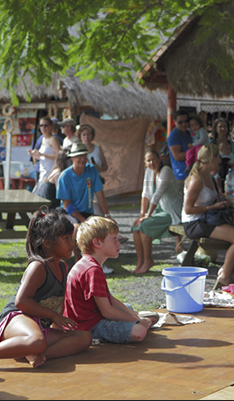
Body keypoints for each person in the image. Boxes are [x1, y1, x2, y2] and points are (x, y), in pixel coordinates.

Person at [0, 210, 92, 369]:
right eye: (65, 238)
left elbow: (57, 301)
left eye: (71, 237)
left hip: (39, 327)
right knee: (37, 340)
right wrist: (53, 316)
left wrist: (56, 322)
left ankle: (38, 354)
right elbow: (21, 302)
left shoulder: (62, 266)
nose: (72, 243)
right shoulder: (38, 267)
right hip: (15, 318)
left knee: (84, 337)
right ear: (47, 243)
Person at [63, 217, 157, 344]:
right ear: (97, 243)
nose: (119, 244)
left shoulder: (87, 263)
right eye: (114, 239)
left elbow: (109, 299)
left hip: (88, 319)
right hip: (88, 327)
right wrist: (137, 321)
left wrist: (132, 316)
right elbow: (107, 311)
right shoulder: (92, 270)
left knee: (128, 308)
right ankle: (146, 321)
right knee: (139, 331)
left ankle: (141, 318)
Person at [182, 143, 234, 287]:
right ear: (211, 159)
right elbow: (188, 209)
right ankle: (225, 275)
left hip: (208, 218)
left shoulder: (208, 176)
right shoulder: (196, 180)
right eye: (217, 157)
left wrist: (221, 200)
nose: (219, 160)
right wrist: (212, 206)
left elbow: (211, 198)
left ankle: (231, 272)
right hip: (194, 223)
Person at [56, 142, 114, 271]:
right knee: (77, 229)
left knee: (102, 228)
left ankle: (99, 263)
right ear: (72, 158)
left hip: (87, 211)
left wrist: (107, 215)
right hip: (69, 213)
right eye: (78, 156)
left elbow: (100, 195)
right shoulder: (64, 176)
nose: (82, 159)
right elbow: (67, 205)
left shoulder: (91, 170)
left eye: (84, 156)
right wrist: (83, 220)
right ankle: (78, 263)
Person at [132, 150, 183, 274]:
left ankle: (148, 261)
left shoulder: (166, 171)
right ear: (145, 163)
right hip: (160, 210)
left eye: (154, 159)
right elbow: (146, 194)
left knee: (145, 225)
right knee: (136, 226)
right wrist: (141, 215)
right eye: (148, 160)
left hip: (172, 212)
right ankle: (141, 261)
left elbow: (157, 195)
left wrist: (147, 216)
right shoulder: (149, 172)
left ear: (159, 159)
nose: (151, 162)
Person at [167, 110, 194, 197]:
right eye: (180, 122)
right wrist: (196, 152)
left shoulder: (190, 133)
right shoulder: (174, 135)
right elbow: (177, 156)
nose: (184, 124)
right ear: (174, 122)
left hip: (193, 174)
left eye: (186, 121)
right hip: (182, 176)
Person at [29, 116, 61, 186]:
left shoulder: (53, 139)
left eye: (45, 125)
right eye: (41, 125)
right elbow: (44, 158)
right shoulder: (43, 139)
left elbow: (59, 156)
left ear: (51, 126)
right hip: (42, 173)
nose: (43, 128)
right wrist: (35, 155)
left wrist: (42, 154)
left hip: (50, 173)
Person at [211, 118, 234, 192]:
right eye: (220, 126)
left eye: (225, 126)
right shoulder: (210, 144)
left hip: (230, 179)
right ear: (216, 129)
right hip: (214, 178)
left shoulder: (233, 145)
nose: (223, 128)